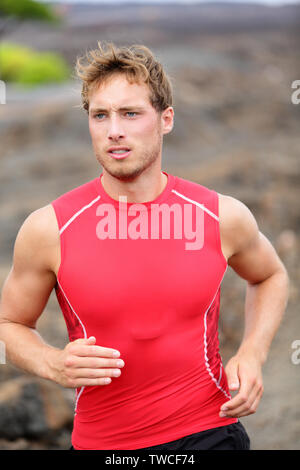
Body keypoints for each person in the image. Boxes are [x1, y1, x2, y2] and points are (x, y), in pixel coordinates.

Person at [0, 42, 289, 451]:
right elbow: (7, 327)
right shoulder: (50, 228)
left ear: (165, 119)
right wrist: (50, 362)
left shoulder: (219, 215)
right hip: (104, 444)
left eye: (130, 113)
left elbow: (271, 275)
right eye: (100, 115)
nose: (114, 129)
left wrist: (252, 353)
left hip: (209, 432)